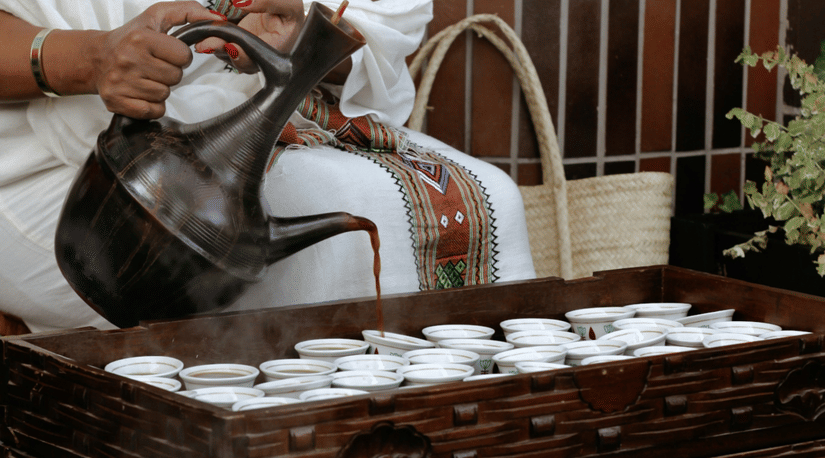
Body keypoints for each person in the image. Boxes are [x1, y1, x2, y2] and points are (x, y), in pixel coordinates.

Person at [0, 0, 537, 333]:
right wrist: (90, 59)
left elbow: (377, 17)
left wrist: (297, 31)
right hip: (47, 164)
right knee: (325, 220)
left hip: (267, 113)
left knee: (496, 198)